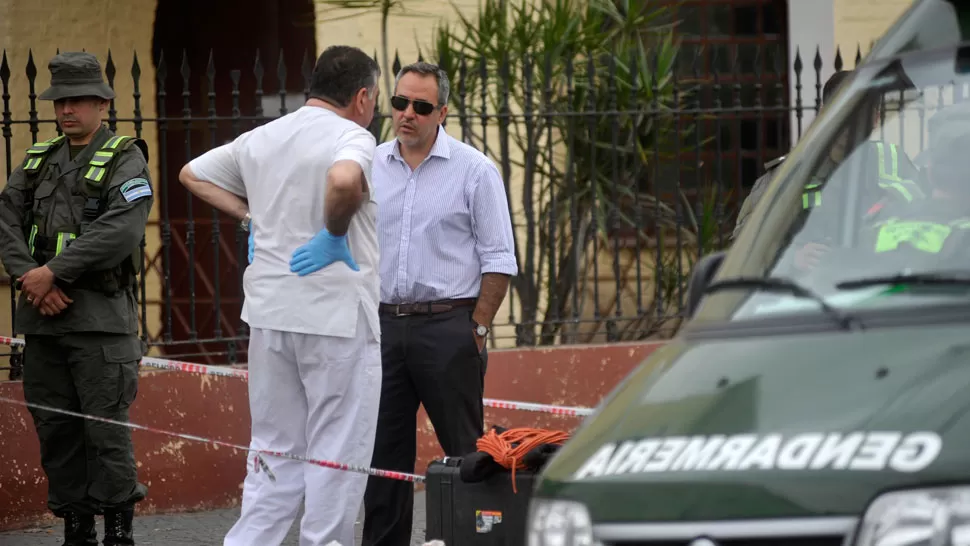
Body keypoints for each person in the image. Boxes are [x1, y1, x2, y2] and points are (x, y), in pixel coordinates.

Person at [178, 45, 383, 546]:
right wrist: (334, 232)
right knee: (336, 451)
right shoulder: (352, 136)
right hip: (336, 318)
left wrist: (250, 216)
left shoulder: (262, 137)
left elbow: (192, 174)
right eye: (375, 98)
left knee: (273, 448)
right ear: (361, 96)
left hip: (270, 314)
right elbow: (342, 178)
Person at [361, 61, 518, 546]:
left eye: (421, 106)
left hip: (449, 327)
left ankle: (479, 540)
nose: (407, 113)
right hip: (383, 327)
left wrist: (477, 329)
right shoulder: (368, 166)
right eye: (399, 102)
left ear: (442, 112)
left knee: (468, 455)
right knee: (382, 457)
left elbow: (499, 258)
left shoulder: (474, 171)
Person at [0, 51, 151, 546]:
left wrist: (51, 273)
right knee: (57, 432)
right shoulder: (38, 159)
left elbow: (121, 230)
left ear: (104, 103)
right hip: (43, 324)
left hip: (99, 324)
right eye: (62, 101)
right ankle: (77, 530)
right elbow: (7, 221)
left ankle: (119, 532)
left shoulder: (125, 156)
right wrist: (30, 279)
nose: (68, 110)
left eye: (80, 101)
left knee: (105, 434)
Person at [732, 69, 924, 240]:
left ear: (875, 118)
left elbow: (931, 220)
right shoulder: (787, 176)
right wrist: (793, 256)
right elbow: (746, 248)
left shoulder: (896, 163)